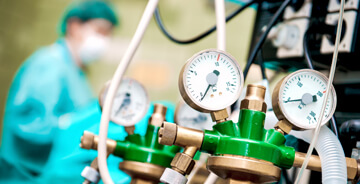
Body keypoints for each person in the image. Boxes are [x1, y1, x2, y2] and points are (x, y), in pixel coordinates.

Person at [0, 0, 119, 182]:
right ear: (74, 26)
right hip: (25, 176)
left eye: (109, 33)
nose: (104, 40)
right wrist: (73, 128)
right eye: (100, 31)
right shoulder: (50, 64)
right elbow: (30, 127)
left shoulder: (74, 71)